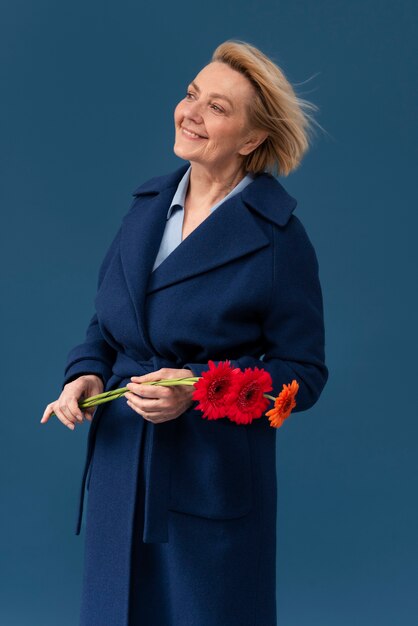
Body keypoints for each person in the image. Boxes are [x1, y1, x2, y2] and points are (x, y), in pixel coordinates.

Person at [41, 40, 329, 626]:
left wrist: (196, 388)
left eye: (217, 108)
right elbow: (108, 323)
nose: (190, 112)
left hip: (209, 479)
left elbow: (305, 373)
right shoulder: (145, 208)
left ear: (251, 139)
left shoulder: (278, 239)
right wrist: (85, 373)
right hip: (122, 470)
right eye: (192, 94)